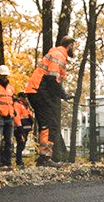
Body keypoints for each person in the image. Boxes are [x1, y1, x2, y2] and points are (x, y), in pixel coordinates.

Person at [24, 35, 75, 167]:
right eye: (73, 47)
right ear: (69, 45)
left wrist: (63, 95)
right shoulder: (58, 55)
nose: (73, 49)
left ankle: (43, 158)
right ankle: (45, 159)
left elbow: (51, 81)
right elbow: (52, 79)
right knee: (50, 124)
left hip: (37, 91)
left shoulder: (57, 55)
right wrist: (64, 94)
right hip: (37, 91)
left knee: (48, 124)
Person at [12, 92, 33, 167]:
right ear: (20, 97)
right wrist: (19, 127)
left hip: (25, 128)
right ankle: (19, 161)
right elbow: (16, 116)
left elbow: (28, 114)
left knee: (23, 144)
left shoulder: (25, 105)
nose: (25, 99)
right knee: (20, 143)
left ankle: (19, 160)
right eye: (24, 97)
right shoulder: (17, 105)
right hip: (20, 128)